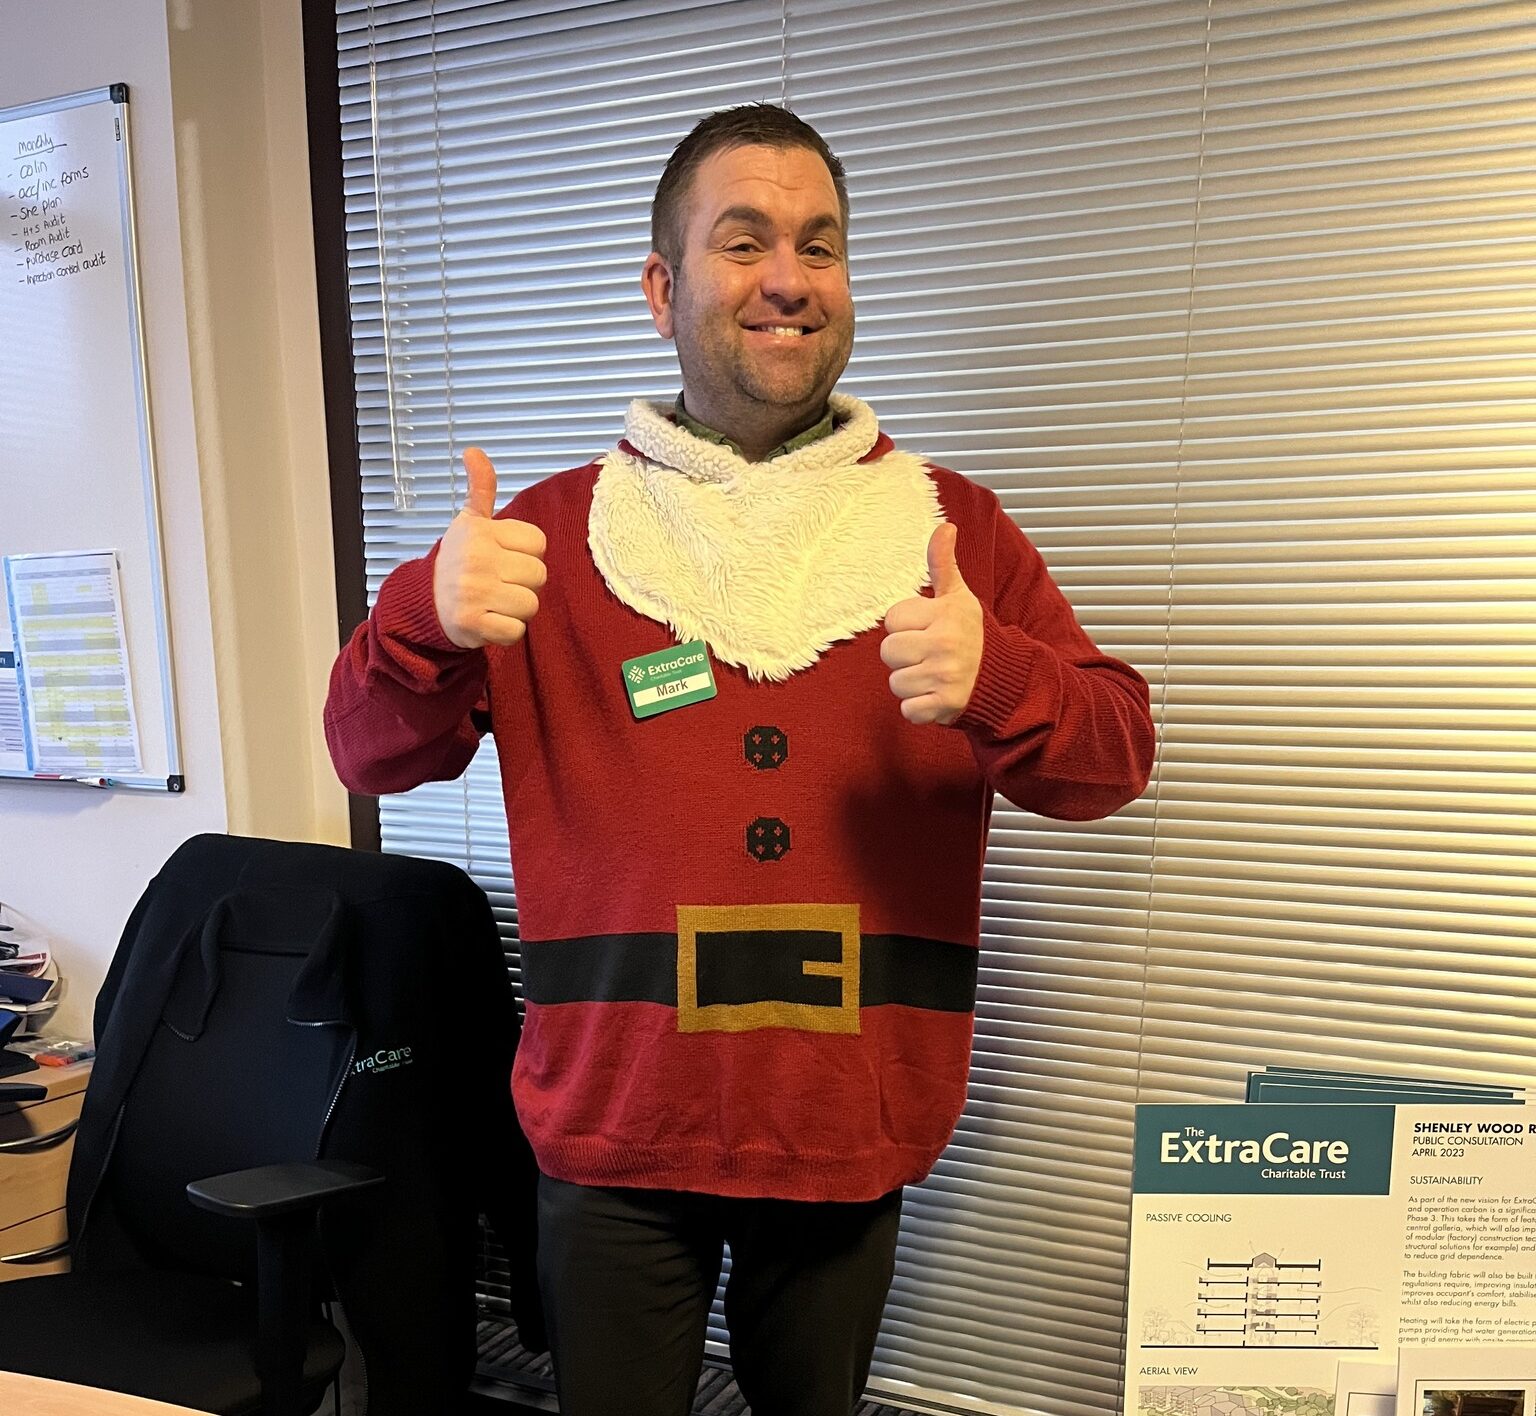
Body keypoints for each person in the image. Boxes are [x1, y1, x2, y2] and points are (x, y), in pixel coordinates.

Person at [325, 103, 1154, 1416]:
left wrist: (997, 673)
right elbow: (367, 753)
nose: (786, 278)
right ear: (663, 288)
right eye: (745, 240)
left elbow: (1112, 760)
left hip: (846, 1126)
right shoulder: (542, 543)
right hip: (614, 1130)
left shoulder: (954, 537)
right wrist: (420, 619)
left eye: (819, 247)